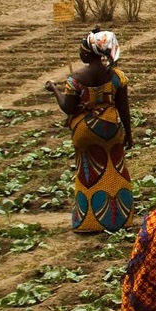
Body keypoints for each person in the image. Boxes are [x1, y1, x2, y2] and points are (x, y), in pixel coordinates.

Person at [47, 31, 133, 234]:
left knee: (88, 174)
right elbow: (124, 108)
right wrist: (128, 133)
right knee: (115, 171)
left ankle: (89, 222)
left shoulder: (76, 80)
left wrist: (54, 90)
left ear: (89, 53)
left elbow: (68, 108)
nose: (79, 53)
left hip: (85, 131)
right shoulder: (117, 77)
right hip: (111, 128)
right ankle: (119, 220)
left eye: (82, 49)